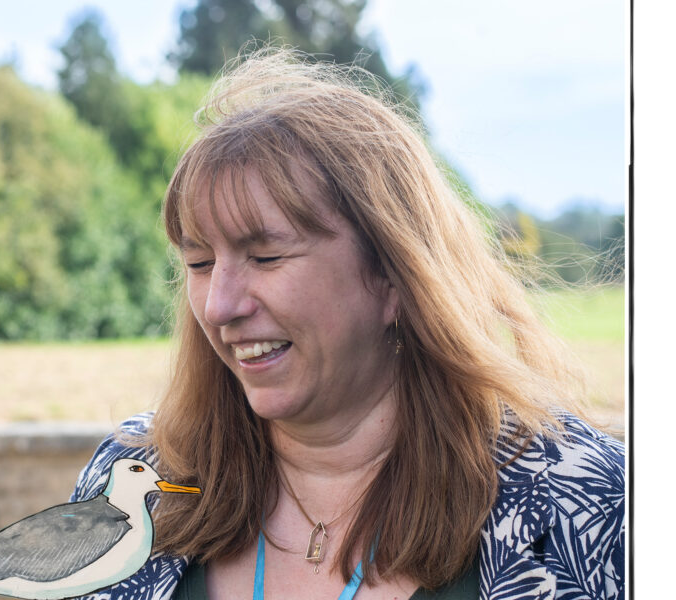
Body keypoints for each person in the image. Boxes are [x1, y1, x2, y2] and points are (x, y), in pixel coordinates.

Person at [71, 49, 625, 600]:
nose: (219, 307)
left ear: (393, 275)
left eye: (265, 256)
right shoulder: (132, 477)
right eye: (200, 263)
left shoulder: (585, 503)